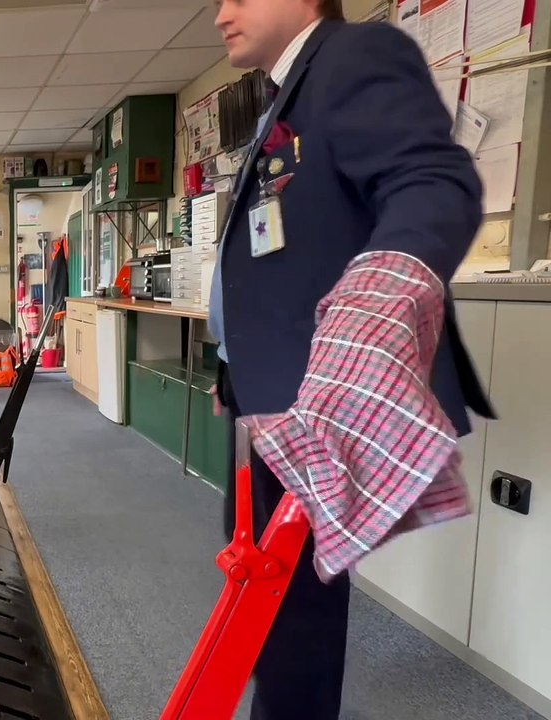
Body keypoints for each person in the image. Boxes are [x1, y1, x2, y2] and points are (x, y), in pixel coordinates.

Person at [207, 1, 496, 718]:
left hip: (319, 400)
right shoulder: (286, 95)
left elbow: (434, 185)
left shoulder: (355, 56)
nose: (221, 15)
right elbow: (276, 254)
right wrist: (233, 371)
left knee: (292, 603)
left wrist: (376, 302)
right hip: (267, 394)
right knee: (261, 593)